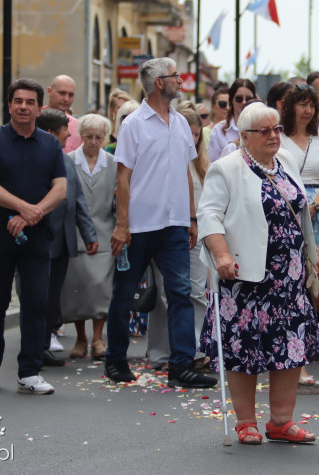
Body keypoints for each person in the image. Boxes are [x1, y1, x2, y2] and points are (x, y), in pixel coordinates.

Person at [198, 102, 319, 444]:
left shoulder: (284, 160)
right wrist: (221, 254)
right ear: (244, 136)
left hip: (289, 277)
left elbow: (300, 210)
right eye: (264, 131)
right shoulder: (227, 168)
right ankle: (245, 422)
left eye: (276, 129)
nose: (273, 136)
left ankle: (281, 421)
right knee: (245, 348)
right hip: (244, 275)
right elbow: (209, 215)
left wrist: (311, 254)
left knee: (289, 345)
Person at [105, 58, 215, 388]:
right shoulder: (134, 124)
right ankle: (115, 358)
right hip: (139, 225)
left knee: (180, 292)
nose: (180, 80)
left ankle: (181, 365)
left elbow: (185, 171)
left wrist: (191, 218)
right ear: (157, 83)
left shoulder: (181, 123)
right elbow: (122, 177)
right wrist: (122, 225)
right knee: (124, 293)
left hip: (175, 225)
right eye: (174, 76)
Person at [0, 79, 67, 395]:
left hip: (38, 236)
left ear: (40, 108)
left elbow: (60, 188)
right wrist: (23, 208)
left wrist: (34, 214)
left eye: (29, 102)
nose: (23, 106)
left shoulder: (50, 144)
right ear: (9, 104)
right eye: (17, 101)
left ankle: (29, 371)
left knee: (36, 301)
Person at [278, 84, 319, 381]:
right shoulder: (276, 136)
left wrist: (314, 206)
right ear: (290, 106)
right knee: (289, 284)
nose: (307, 110)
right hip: (284, 211)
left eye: (311, 105)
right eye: (301, 104)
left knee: (312, 285)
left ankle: (302, 350)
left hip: (315, 211)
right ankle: (293, 358)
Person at [144, 103, 210, 372]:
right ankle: (160, 352)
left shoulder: (204, 165)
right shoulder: (164, 160)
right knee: (163, 294)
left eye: (197, 135)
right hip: (165, 233)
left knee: (195, 292)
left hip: (195, 236)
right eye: (189, 134)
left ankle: (194, 349)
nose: (192, 139)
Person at [36, 108, 97, 367]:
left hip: (63, 241)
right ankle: (35, 346)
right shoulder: (35, 160)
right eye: (65, 131)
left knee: (53, 295)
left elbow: (78, 200)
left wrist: (89, 233)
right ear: (51, 133)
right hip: (40, 239)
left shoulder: (67, 161)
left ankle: (44, 341)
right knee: (38, 294)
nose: (69, 135)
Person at [61, 114, 116, 360]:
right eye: (89, 136)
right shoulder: (68, 161)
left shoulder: (114, 163)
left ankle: (98, 338)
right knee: (76, 288)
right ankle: (81, 338)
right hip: (75, 234)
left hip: (105, 232)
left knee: (101, 288)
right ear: (80, 136)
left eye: (99, 137)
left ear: (105, 137)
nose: (94, 141)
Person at [207, 79, 256, 162]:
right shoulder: (218, 130)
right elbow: (212, 165)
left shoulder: (264, 129)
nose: (244, 102)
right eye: (239, 98)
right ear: (231, 100)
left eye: (248, 99)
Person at [45, 75, 82, 153]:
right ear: (49, 91)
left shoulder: (78, 128)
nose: (66, 99)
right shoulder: (33, 120)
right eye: (62, 93)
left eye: (71, 95)